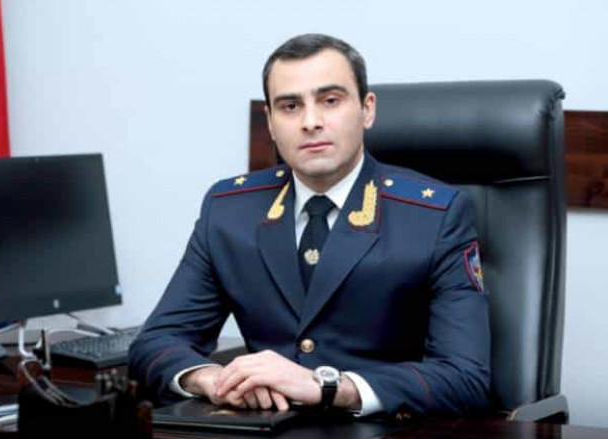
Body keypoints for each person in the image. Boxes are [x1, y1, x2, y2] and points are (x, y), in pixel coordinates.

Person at [128, 33, 490, 417]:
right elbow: (155, 344)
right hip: (267, 426)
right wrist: (213, 379)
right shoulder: (229, 210)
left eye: (330, 101)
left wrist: (331, 387)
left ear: (367, 109)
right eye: (290, 106)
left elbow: (465, 378)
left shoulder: (434, 216)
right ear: (270, 122)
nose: (311, 122)